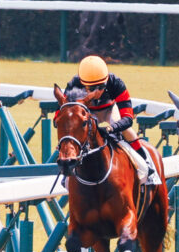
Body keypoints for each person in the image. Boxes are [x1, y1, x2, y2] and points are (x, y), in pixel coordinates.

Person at [66, 56, 161, 185]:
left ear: (107, 80)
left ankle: (146, 164)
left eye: (101, 86)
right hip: (87, 111)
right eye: (92, 88)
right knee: (71, 133)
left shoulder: (116, 83)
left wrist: (112, 128)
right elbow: (62, 114)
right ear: (83, 84)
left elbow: (128, 118)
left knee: (127, 131)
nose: (97, 92)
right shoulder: (74, 85)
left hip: (109, 110)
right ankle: (65, 172)